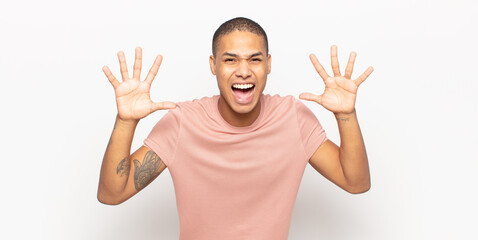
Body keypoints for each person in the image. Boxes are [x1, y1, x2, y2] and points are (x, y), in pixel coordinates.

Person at [97, 17, 373, 239]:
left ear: (268, 64)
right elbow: (112, 194)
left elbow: (355, 182)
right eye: (230, 60)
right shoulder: (182, 123)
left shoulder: (294, 119)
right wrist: (126, 121)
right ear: (213, 65)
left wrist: (346, 116)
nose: (244, 71)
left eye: (254, 59)